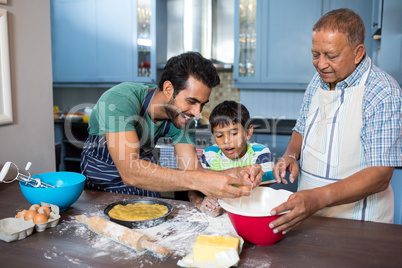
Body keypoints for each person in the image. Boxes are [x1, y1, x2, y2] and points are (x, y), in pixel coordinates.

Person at [271, 8, 402, 234]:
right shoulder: (318, 81)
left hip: (359, 224)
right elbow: (301, 128)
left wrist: (316, 198)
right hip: (308, 218)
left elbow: (380, 174)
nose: (321, 64)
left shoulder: (383, 91)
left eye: (331, 56)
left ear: (358, 52)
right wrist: (290, 154)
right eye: (315, 54)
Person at [80, 52, 263, 199]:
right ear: (168, 89)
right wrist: (197, 181)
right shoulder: (120, 100)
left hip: (144, 188)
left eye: (202, 104)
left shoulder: (182, 118)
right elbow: (130, 172)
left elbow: (192, 170)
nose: (196, 112)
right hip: (101, 191)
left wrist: (237, 172)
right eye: (191, 101)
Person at [188, 100, 276, 217]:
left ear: (248, 132)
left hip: (248, 216)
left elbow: (262, 195)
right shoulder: (210, 154)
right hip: (214, 219)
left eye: (234, 133)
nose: (226, 141)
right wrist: (202, 203)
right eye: (219, 135)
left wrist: (224, 205)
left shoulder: (260, 154)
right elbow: (193, 190)